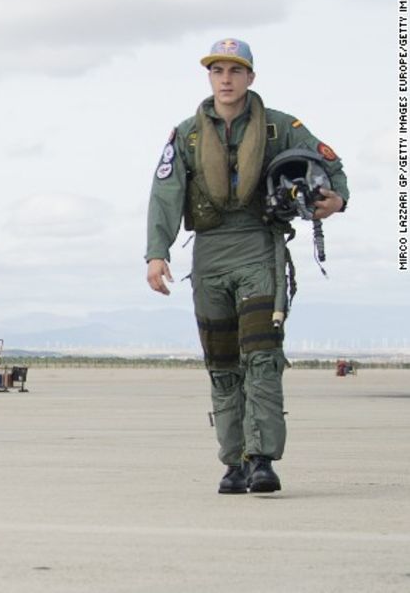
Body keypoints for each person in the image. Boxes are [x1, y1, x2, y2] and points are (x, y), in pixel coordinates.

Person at [144, 38, 349, 494]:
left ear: (251, 77)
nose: (226, 79)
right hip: (210, 255)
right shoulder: (187, 135)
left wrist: (336, 200)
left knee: (261, 357)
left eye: (235, 71)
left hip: (259, 247)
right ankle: (233, 462)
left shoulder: (281, 128)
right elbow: (165, 194)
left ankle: (261, 460)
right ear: (210, 78)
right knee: (221, 364)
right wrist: (157, 253)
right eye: (217, 71)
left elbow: (331, 166)